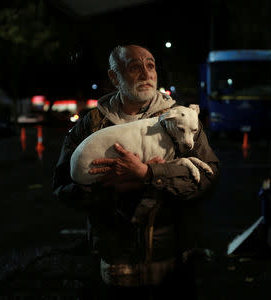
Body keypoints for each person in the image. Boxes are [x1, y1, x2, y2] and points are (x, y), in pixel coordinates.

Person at [51, 44, 219, 299]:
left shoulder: (181, 120)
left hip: (174, 260)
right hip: (117, 264)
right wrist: (108, 187)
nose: (145, 73)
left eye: (150, 65)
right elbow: (63, 188)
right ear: (113, 77)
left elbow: (207, 180)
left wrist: (149, 175)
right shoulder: (91, 125)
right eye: (133, 67)